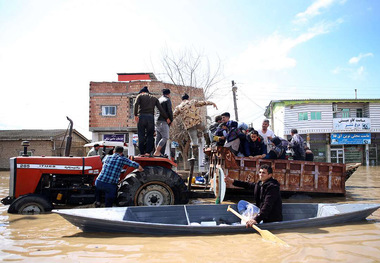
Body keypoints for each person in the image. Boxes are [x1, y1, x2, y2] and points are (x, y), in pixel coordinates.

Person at [172, 93, 217, 158]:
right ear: (188, 98)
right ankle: (208, 143)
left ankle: (194, 156)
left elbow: (173, 115)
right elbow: (203, 103)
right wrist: (212, 103)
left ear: (182, 99)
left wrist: (168, 121)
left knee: (194, 141)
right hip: (198, 121)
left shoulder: (179, 107)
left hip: (189, 126)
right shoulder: (192, 102)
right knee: (205, 130)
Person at [134, 86, 170, 156]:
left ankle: (142, 152)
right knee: (150, 135)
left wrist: (135, 115)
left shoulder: (140, 96)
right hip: (150, 118)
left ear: (142, 92)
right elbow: (161, 109)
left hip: (141, 117)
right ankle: (148, 152)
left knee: (141, 135)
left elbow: (135, 105)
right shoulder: (154, 98)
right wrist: (166, 118)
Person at [154, 88, 173, 157]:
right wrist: (170, 120)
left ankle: (157, 153)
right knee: (165, 137)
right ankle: (157, 151)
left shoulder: (159, 99)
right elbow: (169, 111)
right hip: (163, 121)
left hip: (157, 120)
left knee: (158, 137)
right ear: (168, 94)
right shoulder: (167, 100)